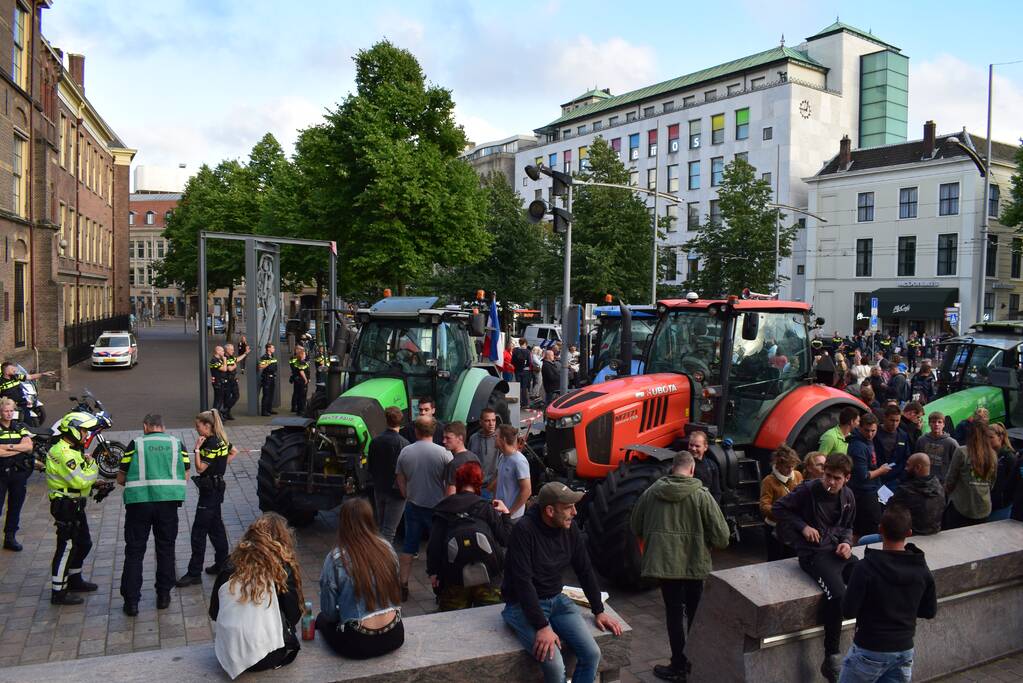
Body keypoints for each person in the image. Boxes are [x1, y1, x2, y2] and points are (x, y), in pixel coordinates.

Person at [501, 482, 623, 683]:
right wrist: (542, 626)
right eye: (568, 507)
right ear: (550, 511)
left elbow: (584, 569)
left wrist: (598, 610)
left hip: (557, 601)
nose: (575, 512)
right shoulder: (524, 531)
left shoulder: (569, 528)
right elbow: (523, 582)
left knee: (592, 654)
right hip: (521, 606)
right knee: (556, 666)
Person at [632, 450, 729, 682]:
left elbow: (636, 525)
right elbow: (722, 537)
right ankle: (695, 664)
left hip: (665, 564)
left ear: (672, 468)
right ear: (692, 469)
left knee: (674, 614)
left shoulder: (651, 493)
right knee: (695, 614)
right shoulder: (702, 496)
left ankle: (678, 664)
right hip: (695, 565)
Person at [772, 453, 857, 683]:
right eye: (827, 475)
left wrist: (847, 543)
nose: (830, 482)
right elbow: (778, 508)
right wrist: (803, 526)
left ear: (846, 478)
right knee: (837, 595)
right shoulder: (808, 490)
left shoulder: (848, 496)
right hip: (814, 554)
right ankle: (831, 656)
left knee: (867, 579)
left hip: (837, 551)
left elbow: (848, 526)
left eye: (836, 478)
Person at [840, 505, 937, 683]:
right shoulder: (921, 568)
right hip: (904, 649)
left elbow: (848, 611)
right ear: (909, 533)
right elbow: (929, 611)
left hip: (869, 648)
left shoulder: (865, 567)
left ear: (880, 530)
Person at [210, 513, 303, 678]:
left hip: (228, 653)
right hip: (268, 656)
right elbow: (293, 615)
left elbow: (214, 612)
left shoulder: (230, 563)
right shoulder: (281, 568)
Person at [117, 414, 190, 616]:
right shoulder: (177, 444)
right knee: (166, 549)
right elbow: (185, 474)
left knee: (134, 552)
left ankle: (131, 602)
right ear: (163, 427)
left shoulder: (135, 444)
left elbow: (121, 478)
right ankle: (163, 596)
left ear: (145, 426)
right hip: (168, 504)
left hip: (138, 504)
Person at [317, 498, 404, 658]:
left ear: (343, 523)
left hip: (358, 643)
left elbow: (329, 613)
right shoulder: (387, 548)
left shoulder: (336, 558)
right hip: (395, 634)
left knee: (321, 620)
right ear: (370, 519)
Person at [428, 461, 514, 611]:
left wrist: (433, 572)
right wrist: (506, 513)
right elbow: (506, 539)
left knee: (453, 619)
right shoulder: (486, 507)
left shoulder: (443, 509)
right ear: (478, 482)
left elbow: (434, 545)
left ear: (458, 482)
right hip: (489, 575)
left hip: (454, 576)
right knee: (487, 618)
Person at [46, 412, 102, 604]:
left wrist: (95, 483)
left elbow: (80, 479)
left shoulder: (72, 449)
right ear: (73, 430)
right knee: (66, 547)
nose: (86, 435)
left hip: (75, 503)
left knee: (84, 543)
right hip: (65, 505)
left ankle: (74, 579)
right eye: (84, 431)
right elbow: (81, 480)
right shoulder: (64, 453)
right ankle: (58, 592)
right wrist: (92, 465)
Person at [178, 410, 237, 586]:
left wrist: (197, 449)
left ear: (207, 425)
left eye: (198, 426)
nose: (196, 429)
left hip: (209, 492)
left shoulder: (210, 443)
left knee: (199, 531)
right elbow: (234, 451)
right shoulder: (221, 440)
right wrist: (220, 465)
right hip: (217, 488)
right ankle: (222, 564)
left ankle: (194, 572)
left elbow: (200, 468)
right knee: (216, 527)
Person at [395, 416, 452, 600]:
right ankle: (441, 585)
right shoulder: (444, 454)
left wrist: (406, 494)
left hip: (413, 505)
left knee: (409, 546)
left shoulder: (406, 452)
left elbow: (400, 477)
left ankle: (403, 584)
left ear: (416, 431)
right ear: (434, 431)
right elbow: (450, 481)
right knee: (439, 547)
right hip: (437, 508)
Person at [367, 406, 408, 545]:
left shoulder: (375, 441)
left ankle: (378, 551)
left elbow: (371, 467)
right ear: (401, 421)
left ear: (386, 420)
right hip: (396, 491)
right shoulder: (404, 444)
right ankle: (383, 555)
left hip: (379, 488)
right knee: (389, 530)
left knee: (381, 526)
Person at [944, 423, 996, 529]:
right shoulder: (992, 454)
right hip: (984, 506)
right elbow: (992, 482)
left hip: (962, 505)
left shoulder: (962, 451)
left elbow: (950, 479)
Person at [847, 413, 890, 540]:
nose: (870, 434)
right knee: (868, 530)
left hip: (873, 489)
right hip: (864, 493)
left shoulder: (867, 441)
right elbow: (863, 475)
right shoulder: (858, 447)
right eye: (867, 430)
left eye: (873, 431)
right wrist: (881, 470)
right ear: (860, 427)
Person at [0, 398, 33, 551]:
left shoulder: (20, 427)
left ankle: (10, 537)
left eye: (11, 411)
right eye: (6, 411)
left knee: (15, 506)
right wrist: (18, 448)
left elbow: (29, 447)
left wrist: (8, 447)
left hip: (18, 473)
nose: (9, 414)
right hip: (1, 473)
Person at [760, 445, 803, 561]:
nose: (790, 470)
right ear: (778, 465)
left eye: (793, 466)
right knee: (775, 560)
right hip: (775, 527)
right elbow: (764, 505)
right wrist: (780, 512)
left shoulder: (798, 475)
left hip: (792, 526)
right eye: (787, 467)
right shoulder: (768, 481)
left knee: (791, 559)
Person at [888, 453, 944, 537]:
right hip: (934, 532)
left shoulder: (905, 491)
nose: (905, 468)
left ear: (918, 467)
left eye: (908, 465)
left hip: (909, 536)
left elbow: (890, 510)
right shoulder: (939, 487)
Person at [495, 424, 531, 519]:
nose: (494, 439)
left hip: (513, 518)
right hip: (499, 514)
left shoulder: (519, 461)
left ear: (503, 439)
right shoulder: (502, 457)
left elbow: (527, 491)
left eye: (496, 436)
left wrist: (510, 513)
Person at [0, 362, 54, 426]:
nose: (14, 369)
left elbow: (30, 377)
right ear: (6, 371)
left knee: (28, 424)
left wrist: (43, 374)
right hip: (9, 408)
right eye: (12, 369)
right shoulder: (1, 382)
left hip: (22, 405)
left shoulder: (16, 376)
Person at [874, 404, 912, 492]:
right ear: (885, 418)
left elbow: (906, 458)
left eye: (897, 420)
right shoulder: (874, 433)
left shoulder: (903, 435)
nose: (894, 424)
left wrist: (901, 478)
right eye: (892, 420)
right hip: (876, 478)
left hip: (895, 481)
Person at [914, 412, 958, 484]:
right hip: (923, 480)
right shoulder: (921, 440)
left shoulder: (951, 443)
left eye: (939, 422)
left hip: (943, 482)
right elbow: (916, 460)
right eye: (933, 422)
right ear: (929, 424)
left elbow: (957, 464)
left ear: (944, 424)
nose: (936, 424)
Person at [989, 423, 1020, 521]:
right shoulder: (988, 456)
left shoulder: (1009, 457)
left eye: (991, 437)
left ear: (1000, 438)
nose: (987, 440)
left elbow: (1014, 483)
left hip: (1003, 506)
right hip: (989, 503)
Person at [441, 421, 480, 497]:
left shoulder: (453, 464)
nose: (444, 441)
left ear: (460, 438)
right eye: (444, 438)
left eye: (448, 438)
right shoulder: (475, 458)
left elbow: (450, 496)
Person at [468, 408, 499, 497]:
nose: (491, 424)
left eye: (493, 420)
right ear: (480, 422)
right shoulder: (473, 438)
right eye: (487, 421)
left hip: (492, 488)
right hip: (475, 486)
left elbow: (503, 468)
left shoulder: (499, 439)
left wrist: (490, 488)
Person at [687, 431, 721, 504]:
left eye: (697, 446)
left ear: (705, 447)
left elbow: (716, 492)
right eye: (691, 445)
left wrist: (712, 508)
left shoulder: (712, 466)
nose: (693, 448)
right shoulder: (681, 464)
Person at [220, 343, 247, 420]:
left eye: (233, 349)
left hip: (233, 380)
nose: (233, 351)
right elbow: (230, 368)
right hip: (227, 381)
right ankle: (226, 413)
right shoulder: (225, 358)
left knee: (236, 395)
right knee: (227, 397)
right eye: (231, 349)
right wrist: (234, 365)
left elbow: (237, 359)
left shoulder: (231, 357)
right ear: (226, 350)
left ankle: (225, 410)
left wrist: (245, 353)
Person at [258, 343, 278, 416]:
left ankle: (269, 409)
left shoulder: (272, 356)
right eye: (273, 348)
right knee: (266, 395)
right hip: (267, 378)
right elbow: (260, 366)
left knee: (271, 394)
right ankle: (264, 411)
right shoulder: (265, 357)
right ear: (268, 349)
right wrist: (268, 362)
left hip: (272, 377)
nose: (274, 349)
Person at [289, 346, 310, 415]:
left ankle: (299, 409)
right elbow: (300, 370)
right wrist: (306, 379)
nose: (305, 354)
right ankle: (299, 409)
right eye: (302, 351)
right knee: (300, 395)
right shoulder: (296, 360)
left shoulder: (300, 361)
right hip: (299, 379)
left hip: (298, 378)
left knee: (299, 394)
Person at [512, 338, 532, 407]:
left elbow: (512, 361)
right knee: (524, 387)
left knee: (518, 386)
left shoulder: (515, 350)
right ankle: (525, 403)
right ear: (525, 343)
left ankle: (518, 402)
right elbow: (530, 362)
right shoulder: (528, 351)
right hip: (525, 370)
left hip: (517, 370)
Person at [209, 345, 227, 412]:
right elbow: (224, 369)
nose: (223, 352)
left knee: (220, 399)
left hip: (221, 382)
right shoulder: (214, 361)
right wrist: (224, 360)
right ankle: (214, 414)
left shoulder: (219, 360)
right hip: (217, 382)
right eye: (222, 351)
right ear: (217, 351)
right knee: (218, 400)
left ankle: (217, 414)